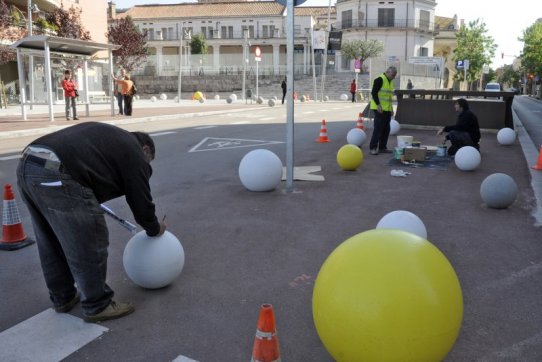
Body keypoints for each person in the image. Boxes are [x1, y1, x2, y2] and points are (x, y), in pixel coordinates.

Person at [16, 122, 167, 323]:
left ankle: (63, 298)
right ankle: (98, 305)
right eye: (148, 160)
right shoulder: (133, 151)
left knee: (50, 240)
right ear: (146, 149)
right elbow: (141, 201)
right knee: (89, 240)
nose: (146, 164)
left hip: (29, 163)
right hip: (58, 171)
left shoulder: (112, 140)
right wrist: (154, 228)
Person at [369, 66, 397, 155]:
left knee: (386, 129)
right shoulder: (379, 79)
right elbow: (373, 93)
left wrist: (391, 108)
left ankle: (382, 147)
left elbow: (389, 97)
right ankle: (373, 148)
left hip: (387, 109)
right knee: (378, 129)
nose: (394, 77)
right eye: (393, 75)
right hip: (379, 108)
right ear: (387, 72)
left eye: (395, 75)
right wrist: (378, 105)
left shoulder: (390, 81)